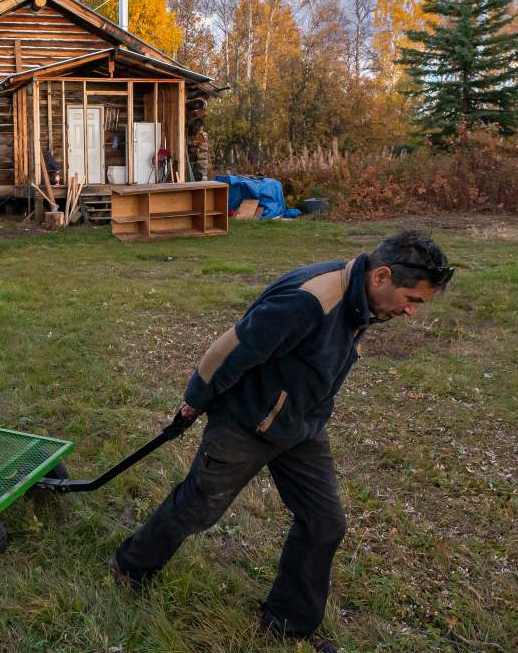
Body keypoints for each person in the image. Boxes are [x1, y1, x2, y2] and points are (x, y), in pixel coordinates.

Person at [109, 230, 453, 652]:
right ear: (382, 276)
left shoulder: (361, 300)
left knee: (324, 523)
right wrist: (195, 400)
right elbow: (230, 347)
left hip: (302, 427)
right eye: (413, 299)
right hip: (245, 422)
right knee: (198, 508)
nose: (412, 312)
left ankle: (288, 624)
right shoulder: (310, 300)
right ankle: (130, 566)